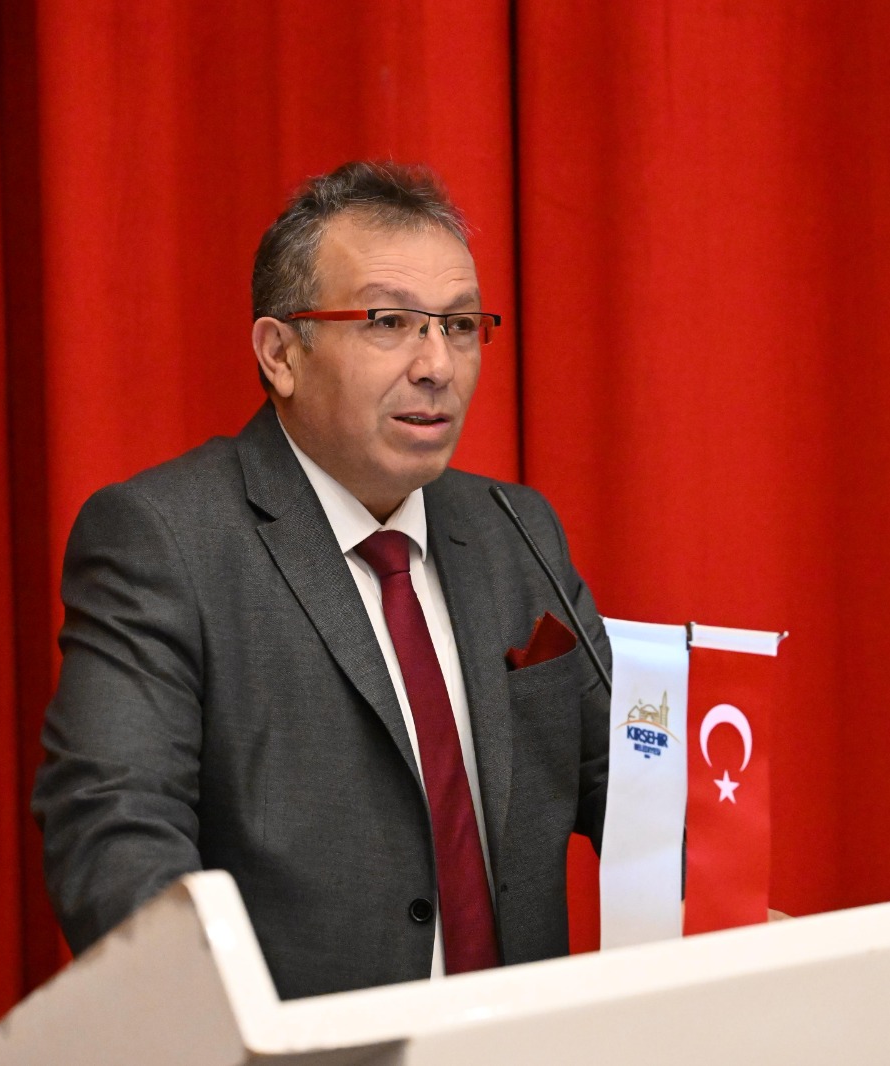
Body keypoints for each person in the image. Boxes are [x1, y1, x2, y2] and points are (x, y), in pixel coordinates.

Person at [32, 161, 610, 1000]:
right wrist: (231, 1033)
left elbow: (624, 784)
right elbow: (114, 833)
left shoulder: (515, 531)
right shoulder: (166, 541)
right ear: (281, 354)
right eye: (390, 322)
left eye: (458, 326)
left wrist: (727, 907)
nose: (437, 365)